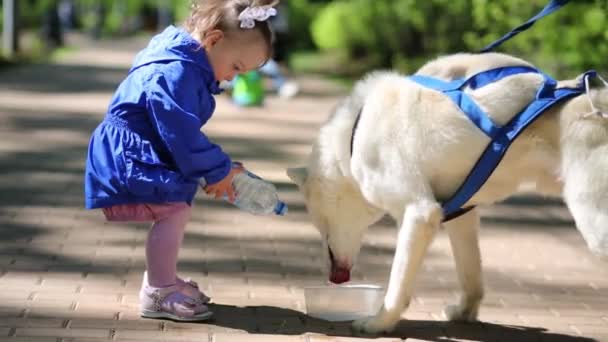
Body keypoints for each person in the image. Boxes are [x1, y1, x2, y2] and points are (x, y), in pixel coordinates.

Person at [84, 0, 279, 321]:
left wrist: (220, 171)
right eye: (236, 67)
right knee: (173, 210)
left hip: (144, 148)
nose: (232, 78)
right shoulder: (175, 72)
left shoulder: (185, 59)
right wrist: (218, 170)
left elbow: (178, 134)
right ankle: (158, 292)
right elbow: (182, 134)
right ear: (214, 40)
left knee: (175, 208)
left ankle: (163, 279)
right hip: (130, 155)